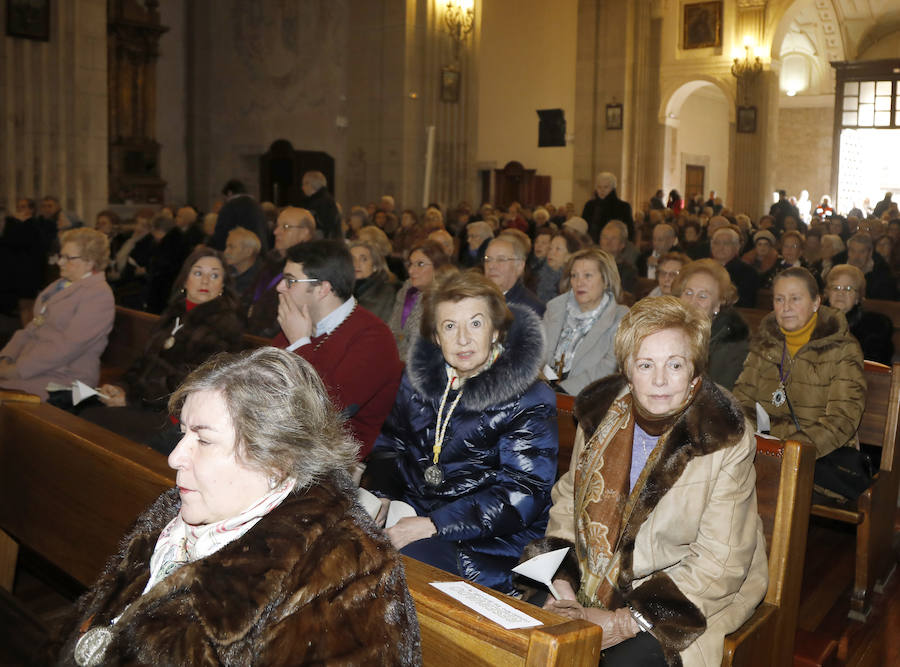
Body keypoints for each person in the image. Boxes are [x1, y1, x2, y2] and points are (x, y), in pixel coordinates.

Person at [59, 348, 421, 665]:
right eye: (182, 433)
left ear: (275, 456)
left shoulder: (344, 571)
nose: (174, 458)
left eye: (202, 439)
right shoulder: (176, 511)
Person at [534, 296, 766, 665]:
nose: (660, 380)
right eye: (646, 364)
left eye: (675, 364)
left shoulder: (722, 434)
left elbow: (720, 564)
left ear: (695, 369)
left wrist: (620, 623)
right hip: (592, 581)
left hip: (682, 599)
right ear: (628, 368)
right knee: (525, 633)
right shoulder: (601, 414)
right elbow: (568, 502)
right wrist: (562, 587)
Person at [367, 270, 557, 595]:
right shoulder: (420, 381)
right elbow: (392, 441)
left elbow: (520, 494)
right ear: (436, 337)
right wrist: (381, 494)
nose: (463, 339)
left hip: (492, 538)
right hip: (416, 513)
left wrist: (434, 525)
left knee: (399, 569)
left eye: (476, 323)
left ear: (496, 330)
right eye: (450, 326)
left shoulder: (528, 398)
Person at [82, 248, 245, 449]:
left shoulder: (225, 325)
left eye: (214, 275)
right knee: (83, 408)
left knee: (91, 420)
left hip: (177, 418)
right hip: (147, 402)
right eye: (198, 273)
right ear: (185, 280)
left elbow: (188, 383)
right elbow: (144, 361)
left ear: (223, 285)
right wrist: (121, 387)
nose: (205, 281)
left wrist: (132, 398)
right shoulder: (173, 314)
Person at [275, 240, 402, 458]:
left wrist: (298, 344)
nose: (279, 287)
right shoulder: (299, 322)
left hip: (331, 460)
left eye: (290, 281)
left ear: (323, 289)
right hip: (284, 442)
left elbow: (327, 410)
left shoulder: (374, 337)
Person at [733, 267, 865, 459]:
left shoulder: (843, 349)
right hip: (763, 454)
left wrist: (790, 451)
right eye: (779, 299)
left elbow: (842, 419)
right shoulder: (764, 344)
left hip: (818, 457)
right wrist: (757, 445)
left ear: (816, 302)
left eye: (795, 298)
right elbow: (741, 400)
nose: (786, 307)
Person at [0, 228, 115, 400]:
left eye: (68, 258)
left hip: (66, 378)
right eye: (61, 256)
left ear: (90, 261)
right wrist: (7, 356)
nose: (60, 262)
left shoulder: (98, 295)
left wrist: (17, 370)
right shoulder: (61, 285)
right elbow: (32, 328)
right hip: (38, 367)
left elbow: (67, 347)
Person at [542, 248, 629, 395]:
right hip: (544, 391)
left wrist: (564, 390)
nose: (578, 282)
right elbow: (539, 352)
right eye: (574, 275)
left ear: (606, 280)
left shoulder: (621, 317)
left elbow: (609, 366)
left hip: (590, 399)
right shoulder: (555, 309)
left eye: (587, 276)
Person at [673, 259, 749, 390]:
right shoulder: (668, 330)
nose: (692, 301)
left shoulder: (732, 343)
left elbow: (720, 395)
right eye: (688, 293)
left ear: (718, 304)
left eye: (702, 296)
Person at [245, 206, 316, 337]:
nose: (276, 232)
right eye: (277, 226)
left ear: (305, 233)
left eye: (286, 227)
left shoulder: (309, 269)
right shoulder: (270, 262)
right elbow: (248, 296)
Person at [388, 240, 452, 359]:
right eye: (410, 264)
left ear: (438, 267)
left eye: (420, 264)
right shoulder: (406, 291)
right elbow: (391, 331)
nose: (411, 270)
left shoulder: (445, 300)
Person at [825, 264, 894, 365]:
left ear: (858, 297)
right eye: (836, 288)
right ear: (828, 293)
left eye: (848, 289)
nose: (841, 293)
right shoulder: (815, 321)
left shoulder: (875, 329)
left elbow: (875, 369)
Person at [483, 235, 545, 317]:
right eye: (488, 259)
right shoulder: (477, 299)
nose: (491, 266)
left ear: (519, 266)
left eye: (501, 259)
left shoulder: (531, 310)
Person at [350, 240, 399, 323]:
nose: (356, 264)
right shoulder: (340, 292)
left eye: (363, 259)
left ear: (375, 266)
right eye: (352, 259)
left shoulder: (387, 293)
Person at [710, 224, 759, 307]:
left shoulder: (748, 272)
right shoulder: (704, 268)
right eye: (716, 243)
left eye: (726, 243)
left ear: (737, 247)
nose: (720, 247)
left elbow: (744, 303)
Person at [582, 172, 634, 243]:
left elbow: (629, 231)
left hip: (614, 245)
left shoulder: (623, 207)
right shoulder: (589, 205)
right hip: (591, 244)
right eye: (599, 187)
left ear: (613, 188)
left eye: (606, 187)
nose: (602, 190)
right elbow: (584, 227)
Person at [299, 170, 340, 239]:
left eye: (304, 184)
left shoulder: (323, 202)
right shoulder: (322, 200)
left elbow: (324, 227)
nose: (302, 188)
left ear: (310, 184)